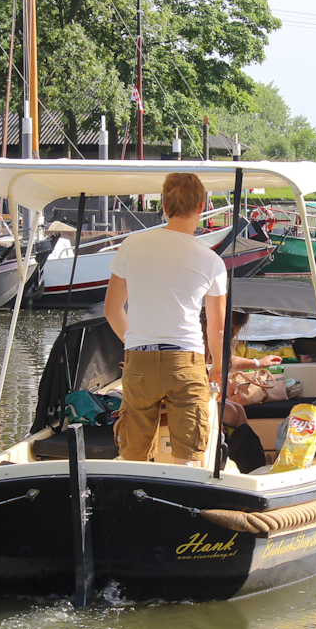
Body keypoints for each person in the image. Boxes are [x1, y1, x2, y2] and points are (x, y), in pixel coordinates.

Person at [104, 172, 227, 466]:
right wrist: (220, 369)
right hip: (185, 363)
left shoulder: (132, 246)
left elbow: (112, 309)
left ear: (164, 206)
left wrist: (136, 343)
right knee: (187, 458)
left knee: (131, 455)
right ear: (201, 206)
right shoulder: (212, 261)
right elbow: (217, 329)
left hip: (139, 362)